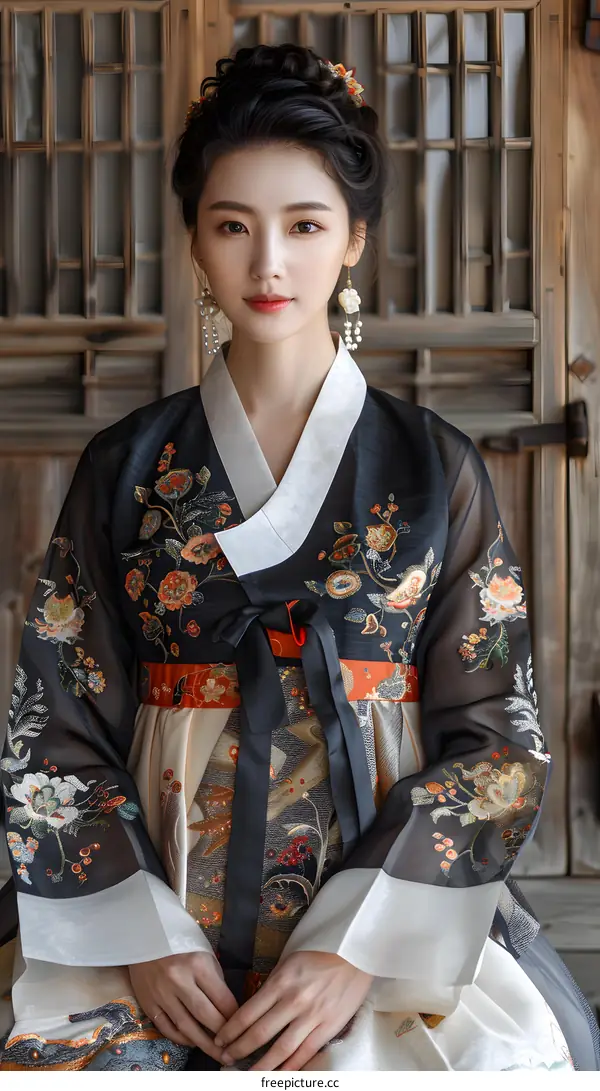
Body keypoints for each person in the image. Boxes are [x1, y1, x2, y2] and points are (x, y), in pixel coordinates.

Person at [0, 43, 598, 1073]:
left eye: (305, 225)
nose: (267, 264)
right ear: (194, 239)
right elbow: (52, 724)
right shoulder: (129, 466)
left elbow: (497, 737)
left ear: (356, 239)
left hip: (386, 923)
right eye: (232, 226)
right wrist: (140, 935)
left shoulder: (432, 465)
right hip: (156, 919)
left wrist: (354, 950)